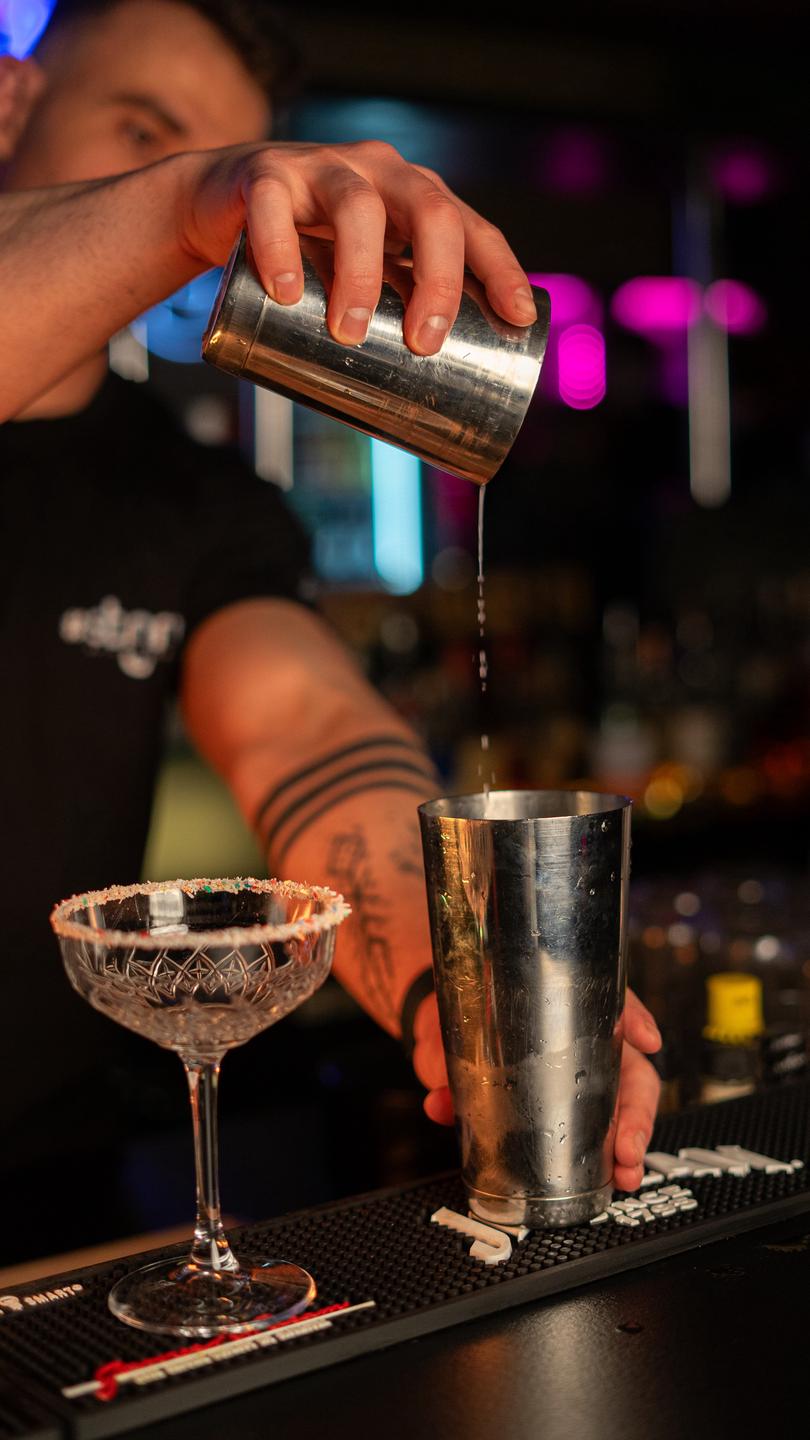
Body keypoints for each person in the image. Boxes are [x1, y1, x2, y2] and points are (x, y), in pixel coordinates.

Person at [0, 0, 660, 1219]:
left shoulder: (193, 497)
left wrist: (460, 978)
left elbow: (305, 731)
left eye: (220, 156)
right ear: (8, 103)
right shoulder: (175, 214)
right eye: (142, 129)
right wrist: (186, 198)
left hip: (50, 1176)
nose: (208, 209)